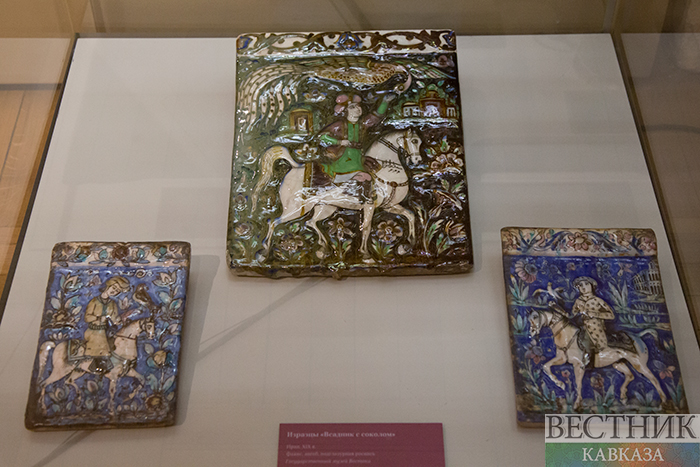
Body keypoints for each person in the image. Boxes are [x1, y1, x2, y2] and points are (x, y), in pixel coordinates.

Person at [315, 93, 394, 200]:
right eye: (352, 107)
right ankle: (357, 199)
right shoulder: (339, 126)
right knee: (364, 177)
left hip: (357, 159)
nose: (357, 109)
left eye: (358, 106)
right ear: (345, 111)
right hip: (343, 160)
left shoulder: (362, 125)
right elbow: (321, 137)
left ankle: (363, 199)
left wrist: (385, 102)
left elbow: (375, 117)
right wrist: (339, 142)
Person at [83, 276, 130, 374]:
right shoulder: (94, 301)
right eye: (114, 288)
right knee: (103, 347)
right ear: (108, 286)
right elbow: (87, 317)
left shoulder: (112, 303)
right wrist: (98, 318)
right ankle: (98, 369)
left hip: (106, 331)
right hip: (94, 331)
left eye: (117, 291)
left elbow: (114, 319)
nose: (114, 291)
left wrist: (119, 320)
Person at [570, 276, 615, 366]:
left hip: (596, 328)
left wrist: (595, 314)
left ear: (592, 286)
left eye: (586, 284)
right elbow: (572, 315)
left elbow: (611, 315)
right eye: (580, 285)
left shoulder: (597, 300)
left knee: (600, 347)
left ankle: (598, 361)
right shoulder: (578, 301)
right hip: (583, 328)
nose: (583, 287)